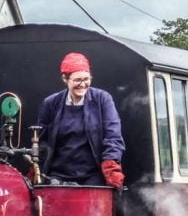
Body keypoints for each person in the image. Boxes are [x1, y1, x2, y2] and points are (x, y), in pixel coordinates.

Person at [37, 52, 125, 187]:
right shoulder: (51, 103)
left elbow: (113, 135)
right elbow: (42, 140)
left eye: (86, 79)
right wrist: (36, 167)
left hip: (92, 175)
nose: (83, 84)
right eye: (78, 80)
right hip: (57, 175)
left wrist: (111, 165)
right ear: (65, 79)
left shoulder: (102, 99)